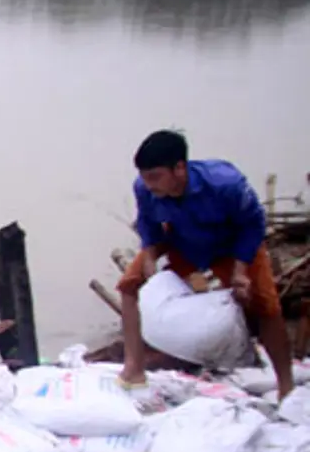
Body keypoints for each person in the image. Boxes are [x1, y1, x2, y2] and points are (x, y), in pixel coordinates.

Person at [116, 129, 295, 399]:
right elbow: (148, 223)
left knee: (266, 305)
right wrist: (150, 258)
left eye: (155, 176)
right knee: (129, 286)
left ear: (179, 168)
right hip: (181, 240)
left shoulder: (225, 184)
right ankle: (134, 369)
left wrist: (240, 271)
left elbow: (252, 224)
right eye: (144, 176)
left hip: (230, 244)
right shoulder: (144, 188)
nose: (148, 184)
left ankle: (286, 384)